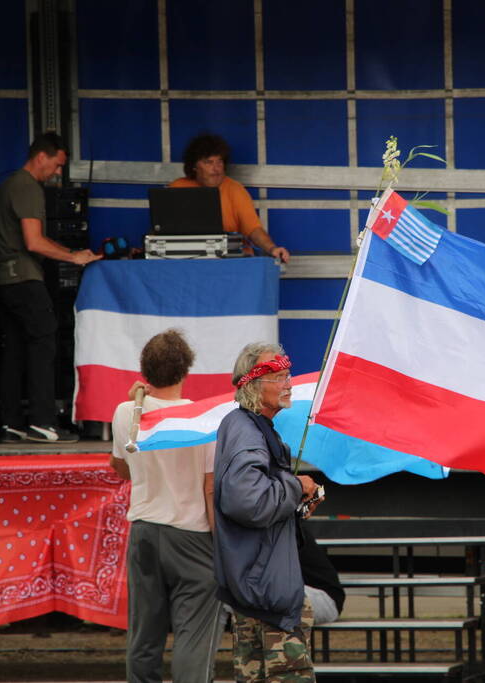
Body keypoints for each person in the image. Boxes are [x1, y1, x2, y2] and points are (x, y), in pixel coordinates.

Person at [109, 329, 223, 683]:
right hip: (190, 534)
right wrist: (222, 546)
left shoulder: (127, 412)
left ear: (145, 369)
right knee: (194, 635)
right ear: (186, 371)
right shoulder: (203, 420)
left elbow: (120, 467)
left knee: (144, 632)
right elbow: (209, 488)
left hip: (144, 529)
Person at [213, 342, 321, 682]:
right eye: (279, 376)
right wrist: (296, 486)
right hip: (267, 594)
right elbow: (248, 501)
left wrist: (296, 503)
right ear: (254, 384)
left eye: (288, 375)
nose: (289, 383)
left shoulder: (251, 428)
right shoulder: (246, 431)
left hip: (260, 588)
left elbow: (259, 501)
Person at [0, 131, 101, 444]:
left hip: (2, 279)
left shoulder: (9, 185)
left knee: (13, 349)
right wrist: (72, 256)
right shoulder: (28, 188)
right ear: (42, 157)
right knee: (44, 341)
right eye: (57, 164)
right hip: (23, 278)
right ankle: (42, 422)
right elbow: (33, 241)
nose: (58, 172)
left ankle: (11, 423)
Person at [169, 133, 290, 263]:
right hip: (188, 261)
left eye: (219, 161)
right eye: (208, 162)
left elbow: (253, 228)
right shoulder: (177, 187)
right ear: (194, 167)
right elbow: (163, 228)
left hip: (231, 262)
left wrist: (272, 248)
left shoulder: (235, 189)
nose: (216, 169)